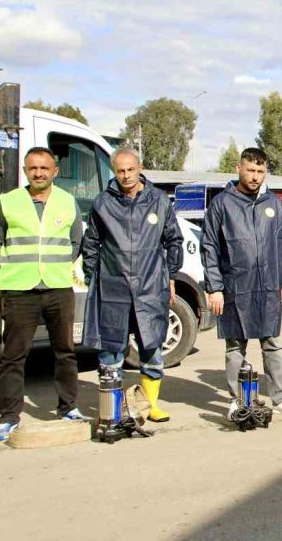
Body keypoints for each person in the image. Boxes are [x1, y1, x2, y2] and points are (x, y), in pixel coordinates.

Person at [0, 147, 84, 441]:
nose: (38, 173)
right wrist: (16, 269)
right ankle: (8, 416)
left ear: (54, 172)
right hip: (20, 289)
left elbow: (76, 242)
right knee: (13, 356)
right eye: (33, 168)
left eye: (44, 168)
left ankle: (68, 407)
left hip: (57, 287)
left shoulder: (68, 202)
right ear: (26, 171)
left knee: (65, 352)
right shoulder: (9, 202)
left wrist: (53, 268)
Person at [202, 147, 282, 419]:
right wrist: (214, 287)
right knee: (235, 345)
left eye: (261, 171)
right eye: (251, 170)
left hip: (269, 285)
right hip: (235, 285)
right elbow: (209, 247)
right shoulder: (222, 204)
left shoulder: (274, 204)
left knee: (271, 341)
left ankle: (280, 397)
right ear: (239, 168)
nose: (256, 176)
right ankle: (237, 399)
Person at [82, 147, 182, 423]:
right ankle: (112, 408)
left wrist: (170, 275)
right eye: (120, 171)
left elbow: (173, 240)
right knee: (111, 350)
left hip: (150, 286)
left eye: (131, 169)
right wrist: (94, 277)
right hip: (113, 287)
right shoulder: (102, 203)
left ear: (140, 168)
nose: (126, 175)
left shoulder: (159, 201)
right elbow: (91, 243)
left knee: (151, 347)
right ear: (113, 171)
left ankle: (150, 405)